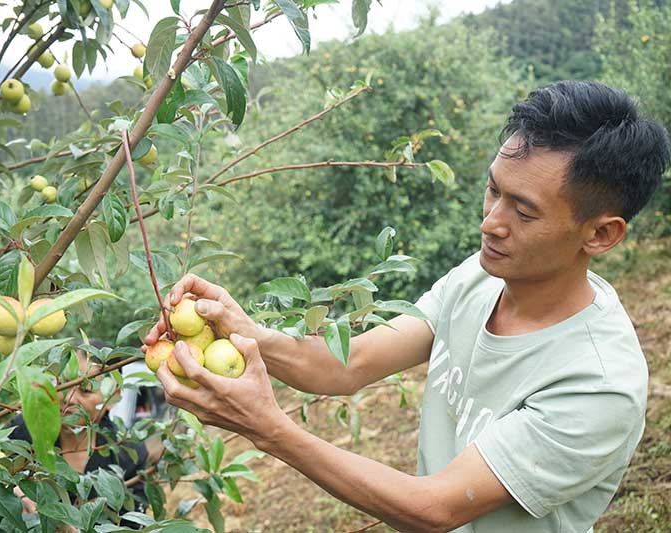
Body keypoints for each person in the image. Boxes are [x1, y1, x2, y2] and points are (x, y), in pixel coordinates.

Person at [143, 81, 671, 532]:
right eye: (493, 191)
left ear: (600, 234)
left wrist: (266, 427)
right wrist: (243, 330)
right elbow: (347, 365)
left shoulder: (599, 384)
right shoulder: (480, 276)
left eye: (524, 212)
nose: (490, 222)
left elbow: (434, 508)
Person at [9, 341, 149, 520]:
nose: (71, 398)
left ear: (113, 395)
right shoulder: (25, 430)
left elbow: (130, 525)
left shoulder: (128, 455)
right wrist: (14, 491)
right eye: (65, 384)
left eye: (86, 391)